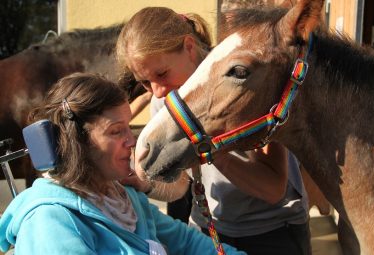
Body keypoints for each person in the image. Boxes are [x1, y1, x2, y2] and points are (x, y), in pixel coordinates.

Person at [116, 7, 311, 255]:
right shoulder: (165, 101)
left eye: (162, 73)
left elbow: (273, 188)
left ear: (189, 47)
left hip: (271, 231)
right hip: (209, 230)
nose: (156, 91)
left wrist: (207, 148)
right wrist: (145, 185)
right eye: (145, 82)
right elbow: (180, 185)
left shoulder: (240, 78)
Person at [0, 73, 245, 255]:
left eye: (129, 127)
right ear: (77, 143)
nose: (131, 141)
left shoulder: (123, 197)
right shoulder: (50, 222)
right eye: (116, 131)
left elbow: (188, 243)